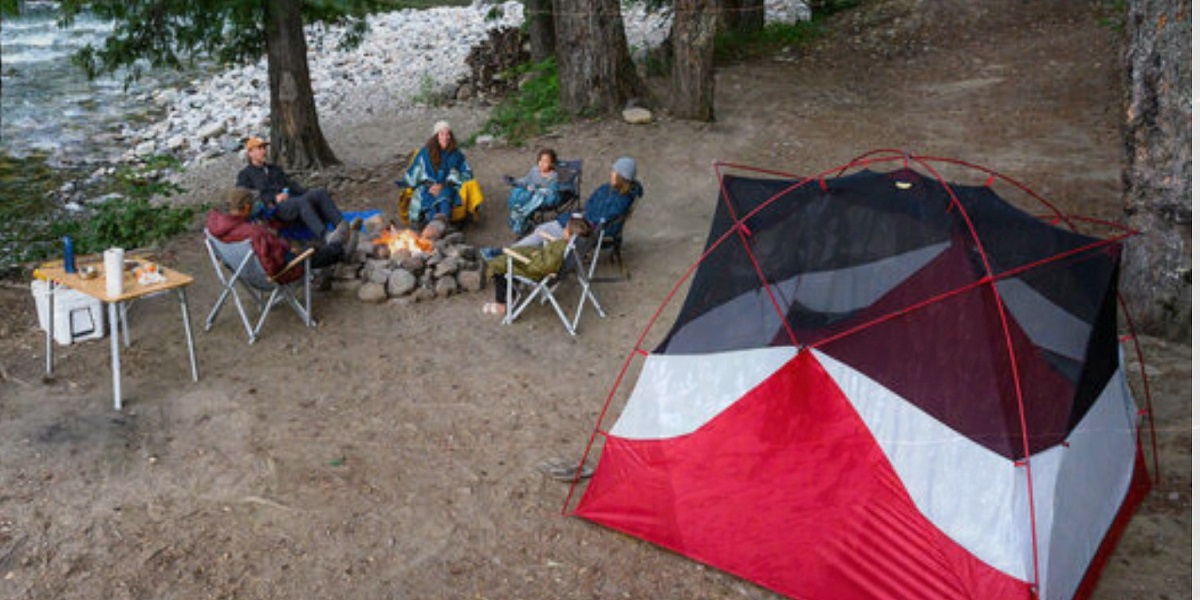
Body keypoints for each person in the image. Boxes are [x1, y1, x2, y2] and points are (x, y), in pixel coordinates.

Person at [206, 187, 357, 284]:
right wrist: (289, 251)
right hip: (277, 273)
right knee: (318, 254)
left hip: (245, 273)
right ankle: (340, 249)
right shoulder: (252, 233)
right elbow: (274, 263)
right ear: (246, 207)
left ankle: (325, 265)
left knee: (308, 249)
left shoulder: (214, 227)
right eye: (252, 204)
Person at [236, 136, 350, 244]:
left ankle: (342, 226)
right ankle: (325, 236)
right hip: (275, 208)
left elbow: (291, 184)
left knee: (319, 192)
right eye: (259, 148)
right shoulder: (245, 175)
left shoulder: (274, 169)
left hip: (291, 199)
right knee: (302, 202)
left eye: (264, 148)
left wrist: (307, 192)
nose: (264, 151)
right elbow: (245, 198)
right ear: (250, 153)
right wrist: (273, 198)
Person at [512, 157, 642, 249]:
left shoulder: (621, 200)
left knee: (543, 232)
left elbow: (603, 220)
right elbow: (591, 205)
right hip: (583, 221)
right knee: (541, 230)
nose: (611, 174)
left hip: (584, 229)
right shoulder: (609, 189)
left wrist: (581, 220)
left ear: (622, 177)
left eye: (615, 172)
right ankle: (512, 252)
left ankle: (510, 253)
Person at [481, 216, 591, 316]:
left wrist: (529, 260)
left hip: (537, 271)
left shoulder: (560, 248)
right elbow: (550, 258)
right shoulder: (569, 246)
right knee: (516, 254)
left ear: (569, 234)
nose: (563, 231)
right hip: (540, 263)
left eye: (565, 229)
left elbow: (544, 266)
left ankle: (501, 304)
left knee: (500, 265)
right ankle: (511, 295)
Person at [401, 120, 473, 225]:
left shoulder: (457, 155)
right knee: (427, 198)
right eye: (442, 134)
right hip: (428, 187)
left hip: (448, 186)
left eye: (448, 134)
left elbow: (467, 172)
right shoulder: (425, 153)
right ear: (436, 136)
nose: (445, 137)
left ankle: (443, 223)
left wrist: (445, 184)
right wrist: (429, 185)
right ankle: (433, 225)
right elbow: (414, 173)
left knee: (445, 198)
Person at [504, 147, 560, 235]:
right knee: (517, 192)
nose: (542, 163)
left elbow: (551, 192)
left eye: (546, 162)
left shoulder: (553, 176)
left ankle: (522, 222)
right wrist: (515, 181)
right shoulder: (535, 170)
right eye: (540, 160)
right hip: (530, 192)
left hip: (543, 197)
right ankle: (518, 218)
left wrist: (536, 190)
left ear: (552, 164)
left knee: (530, 199)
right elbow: (526, 180)